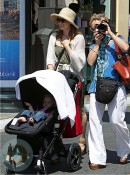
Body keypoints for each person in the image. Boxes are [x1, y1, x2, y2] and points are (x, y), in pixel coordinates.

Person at [87, 13, 130, 170]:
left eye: (100, 26)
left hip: (116, 85)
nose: (97, 29)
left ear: (106, 25)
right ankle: (97, 158)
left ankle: (124, 150)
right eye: (94, 28)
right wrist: (97, 43)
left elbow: (126, 48)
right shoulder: (94, 45)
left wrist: (110, 33)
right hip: (97, 86)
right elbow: (90, 62)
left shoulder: (116, 41)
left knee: (116, 120)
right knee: (95, 122)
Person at [46, 6, 87, 154]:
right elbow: (50, 58)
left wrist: (67, 46)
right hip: (58, 76)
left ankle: (82, 139)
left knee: (79, 108)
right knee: (56, 109)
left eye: (63, 20)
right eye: (59, 20)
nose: (60, 22)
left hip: (74, 76)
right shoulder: (53, 35)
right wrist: (51, 74)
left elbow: (79, 63)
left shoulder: (78, 38)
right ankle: (58, 139)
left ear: (70, 22)